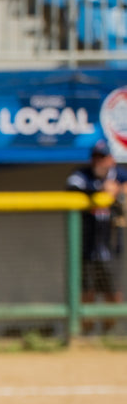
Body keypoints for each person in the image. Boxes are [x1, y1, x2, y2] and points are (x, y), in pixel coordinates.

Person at [66, 139, 126, 332]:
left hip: (110, 248)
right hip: (85, 249)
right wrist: (101, 191)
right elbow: (72, 187)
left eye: (103, 157)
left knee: (112, 295)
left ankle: (107, 334)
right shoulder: (82, 175)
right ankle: (84, 335)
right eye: (95, 157)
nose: (98, 162)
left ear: (111, 160)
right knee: (86, 295)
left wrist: (120, 191)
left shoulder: (119, 175)